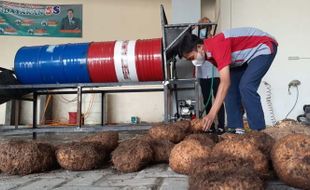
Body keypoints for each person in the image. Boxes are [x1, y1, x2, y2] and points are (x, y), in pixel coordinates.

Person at [178, 27, 278, 134]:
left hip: (263, 46)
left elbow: (225, 82)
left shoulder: (216, 45)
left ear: (199, 47)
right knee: (230, 90)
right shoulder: (209, 56)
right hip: (242, 60)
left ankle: (258, 131)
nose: (193, 61)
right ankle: (235, 129)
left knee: (246, 86)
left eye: (191, 58)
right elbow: (227, 83)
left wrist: (211, 114)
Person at [192, 17, 226, 134]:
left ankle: (221, 126)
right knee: (207, 101)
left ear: (210, 27)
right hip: (202, 75)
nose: (204, 29)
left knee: (219, 100)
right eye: (202, 27)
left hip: (215, 74)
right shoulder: (197, 42)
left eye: (206, 27)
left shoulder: (214, 39)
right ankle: (210, 126)